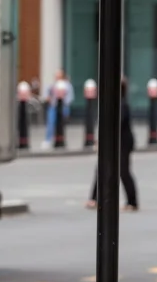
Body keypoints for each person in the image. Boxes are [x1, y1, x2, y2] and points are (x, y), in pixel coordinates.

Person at [86, 78, 138, 211]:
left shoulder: (120, 105)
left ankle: (132, 202)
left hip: (122, 143)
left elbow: (115, 125)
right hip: (115, 142)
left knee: (123, 171)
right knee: (101, 168)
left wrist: (102, 139)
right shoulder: (114, 103)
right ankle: (95, 198)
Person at [42, 69, 74, 149]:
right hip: (53, 106)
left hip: (63, 107)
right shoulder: (53, 85)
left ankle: (60, 139)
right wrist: (49, 99)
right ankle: (48, 140)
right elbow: (47, 94)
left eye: (58, 75)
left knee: (61, 124)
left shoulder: (67, 85)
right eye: (56, 75)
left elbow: (70, 97)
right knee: (51, 122)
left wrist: (63, 101)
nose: (56, 77)